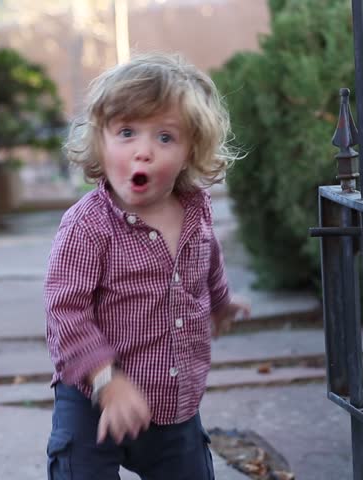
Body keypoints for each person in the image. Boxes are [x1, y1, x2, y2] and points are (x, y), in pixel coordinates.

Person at [44, 52, 250, 480]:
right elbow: (66, 313)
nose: (143, 152)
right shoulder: (87, 227)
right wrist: (108, 382)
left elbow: (208, 260)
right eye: (126, 133)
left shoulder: (197, 211)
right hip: (94, 398)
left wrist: (221, 303)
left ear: (192, 148)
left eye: (165, 137)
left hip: (175, 400)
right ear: (99, 141)